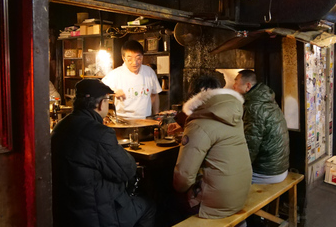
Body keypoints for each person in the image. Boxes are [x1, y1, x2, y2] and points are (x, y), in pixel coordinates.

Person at [51, 79, 156, 227]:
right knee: (148, 206)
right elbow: (127, 170)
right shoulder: (100, 133)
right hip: (97, 215)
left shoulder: (61, 126)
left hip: (66, 210)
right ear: (101, 104)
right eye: (108, 100)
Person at [173, 75, 252, 219]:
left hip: (216, 204)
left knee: (171, 199)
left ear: (194, 96)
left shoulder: (199, 123)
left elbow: (183, 179)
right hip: (240, 194)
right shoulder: (233, 114)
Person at [233, 69, 290, 184]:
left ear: (248, 86)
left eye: (236, 81)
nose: (233, 85)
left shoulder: (254, 106)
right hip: (279, 167)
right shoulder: (265, 99)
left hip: (267, 172)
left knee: (227, 179)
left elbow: (250, 146)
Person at [102, 40, 162, 119]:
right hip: (123, 121)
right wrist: (113, 91)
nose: (135, 63)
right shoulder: (116, 74)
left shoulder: (149, 72)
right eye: (130, 59)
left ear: (142, 56)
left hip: (146, 120)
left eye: (138, 58)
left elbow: (154, 94)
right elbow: (98, 89)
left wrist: (156, 115)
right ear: (123, 58)